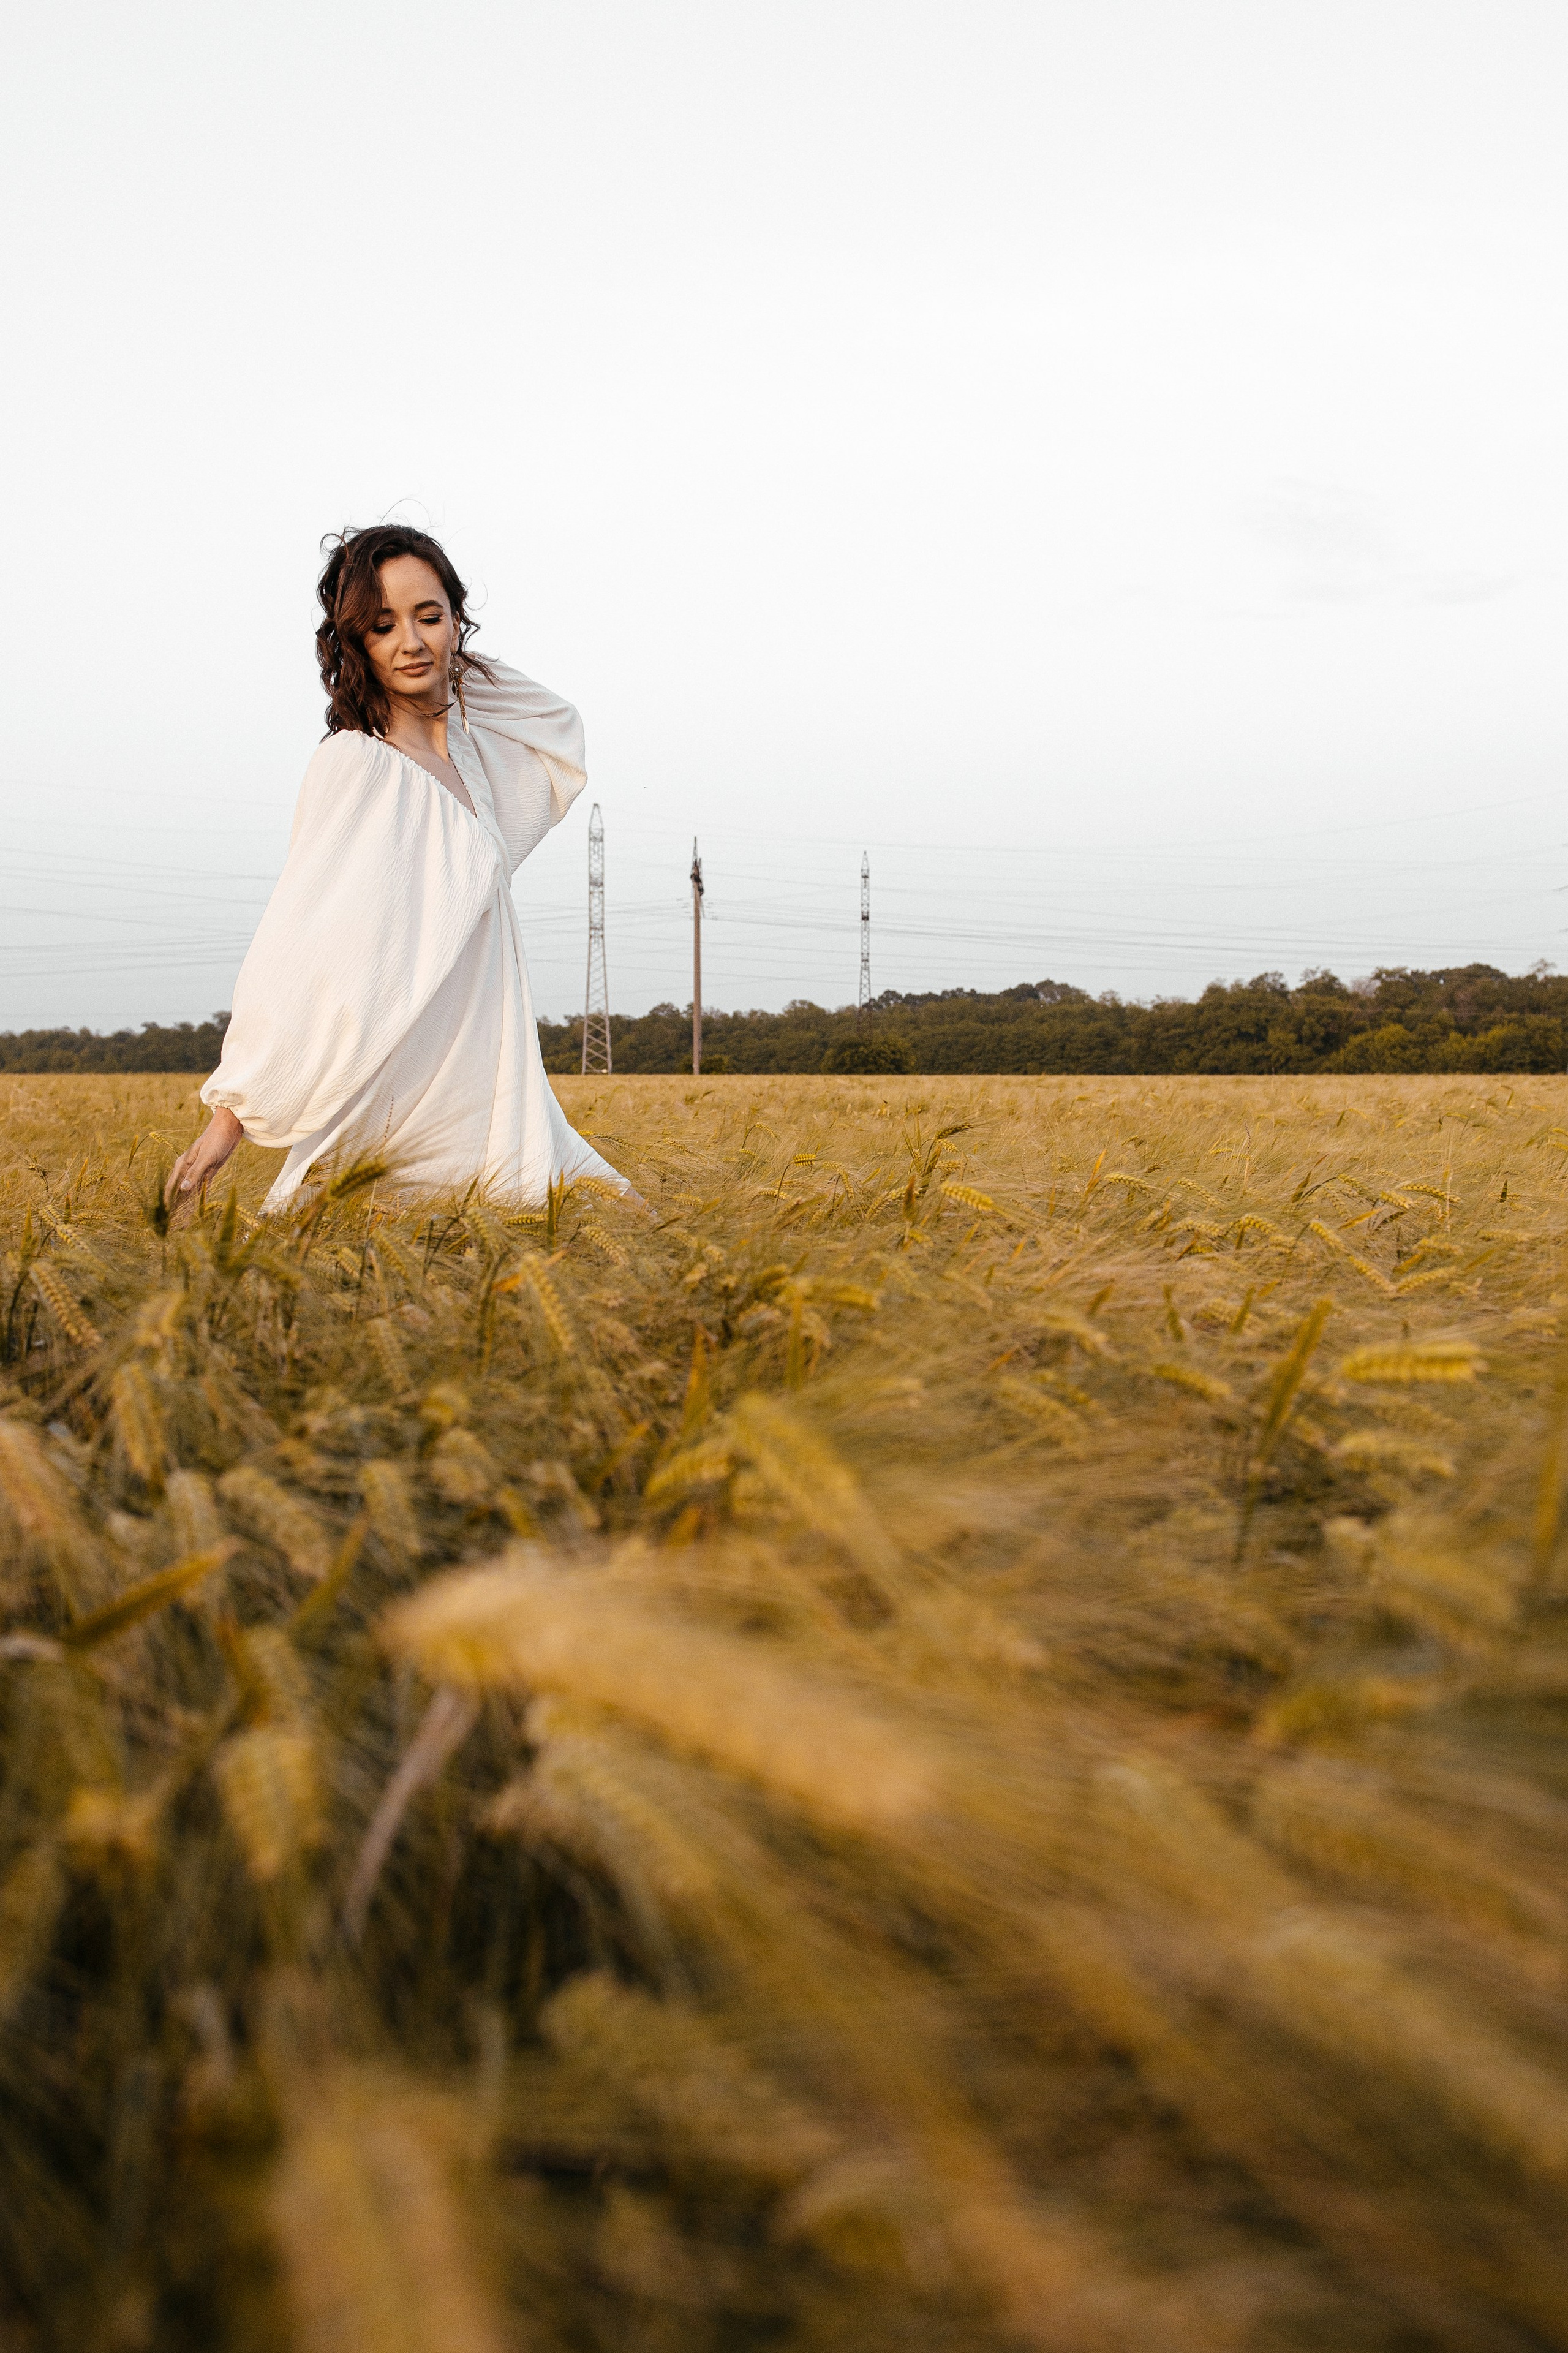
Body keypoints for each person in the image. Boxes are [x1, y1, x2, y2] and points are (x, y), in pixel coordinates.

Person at [167, 525, 626, 1214]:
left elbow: (556, 724)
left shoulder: (474, 765)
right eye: (382, 626)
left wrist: (453, 662)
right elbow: (303, 944)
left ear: (458, 623)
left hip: (502, 1098)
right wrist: (231, 1116)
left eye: (430, 617)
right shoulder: (355, 765)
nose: (411, 642)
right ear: (355, 644)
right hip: (402, 1098)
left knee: (624, 1233)